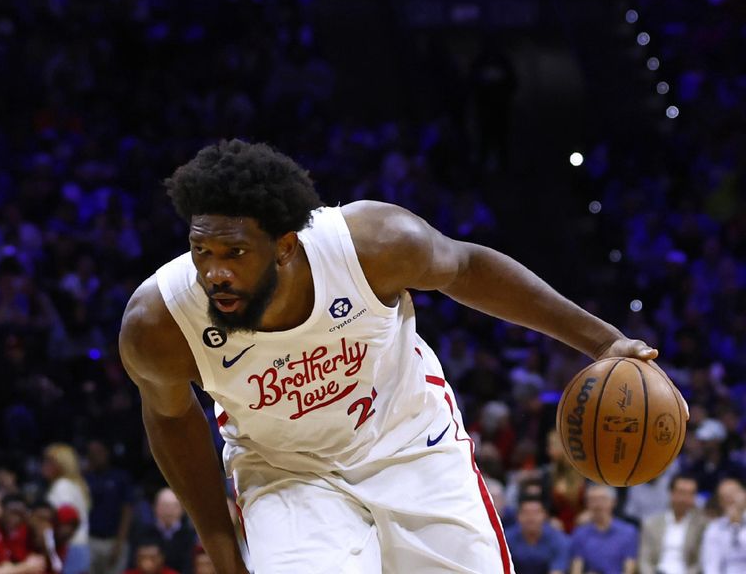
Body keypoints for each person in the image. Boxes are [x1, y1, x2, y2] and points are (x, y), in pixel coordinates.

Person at [119, 140, 670, 574]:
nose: (215, 272)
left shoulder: (372, 245)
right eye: (202, 252)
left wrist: (603, 343)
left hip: (411, 444)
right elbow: (170, 417)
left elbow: (468, 268)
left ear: (285, 246)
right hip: (288, 474)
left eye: (234, 253)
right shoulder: (160, 322)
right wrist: (224, 554)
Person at [638, 474, 707, 574]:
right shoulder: (651, 524)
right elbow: (644, 560)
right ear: (671, 493)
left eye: (690, 494)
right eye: (681, 492)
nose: (684, 498)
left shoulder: (703, 526)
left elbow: (701, 562)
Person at [85, 440, 133, 574]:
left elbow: (127, 510)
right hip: (90, 539)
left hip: (114, 540)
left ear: (107, 453)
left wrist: (120, 542)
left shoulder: (120, 477)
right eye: (91, 453)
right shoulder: (85, 478)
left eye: (99, 452)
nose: (96, 456)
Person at [42, 445, 91, 574]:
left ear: (61, 465)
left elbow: (67, 519)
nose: (44, 465)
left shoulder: (62, 485)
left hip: (70, 547)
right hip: (80, 545)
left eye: (49, 462)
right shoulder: (76, 484)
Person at [569, 485, 638, 574]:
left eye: (602, 499)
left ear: (613, 502)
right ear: (587, 504)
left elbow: (629, 569)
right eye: (592, 500)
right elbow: (576, 568)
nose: (597, 505)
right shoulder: (580, 533)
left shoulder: (628, 532)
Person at [129, 490, 195, 574]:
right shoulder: (142, 533)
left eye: (173, 506)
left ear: (182, 509)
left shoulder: (189, 535)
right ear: (154, 507)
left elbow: (190, 566)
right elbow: (133, 563)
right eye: (164, 506)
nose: (169, 511)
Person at [505, 494, 570, 574]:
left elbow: (558, 569)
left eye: (536, 513)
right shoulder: (507, 539)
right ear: (518, 516)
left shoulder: (557, 538)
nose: (531, 518)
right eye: (526, 513)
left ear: (545, 515)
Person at [699, 478, 746, 573]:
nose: (731, 498)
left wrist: (738, 523)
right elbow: (711, 565)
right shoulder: (714, 528)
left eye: (734, 493)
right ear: (720, 503)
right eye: (725, 496)